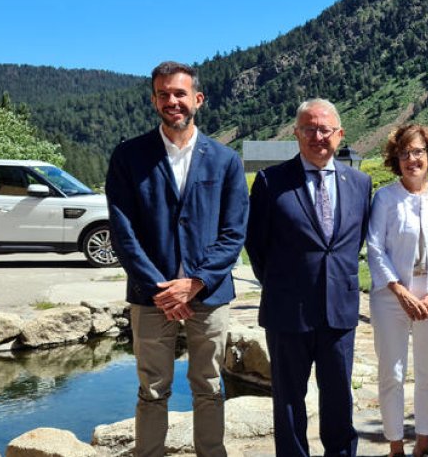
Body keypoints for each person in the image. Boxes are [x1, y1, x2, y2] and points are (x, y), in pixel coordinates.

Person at [105, 61, 249, 457]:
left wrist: (195, 282)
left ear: (197, 100)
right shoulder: (129, 157)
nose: (173, 101)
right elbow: (123, 230)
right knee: (152, 388)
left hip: (210, 294)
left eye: (180, 93)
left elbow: (234, 232)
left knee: (209, 383)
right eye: (164, 94)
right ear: (154, 100)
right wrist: (161, 289)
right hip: (152, 296)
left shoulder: (225, 160)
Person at [245, 99, 372, 457]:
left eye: (325, 129)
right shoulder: (272, 182)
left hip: (339, 311)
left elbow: (353, 241)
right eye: (309, 129)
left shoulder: (361, 183)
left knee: (338, 397)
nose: (317, 137)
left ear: (340, 134)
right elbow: (256, 245)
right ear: (297, 133)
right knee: (288, 401)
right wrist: (284, 284)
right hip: (288, 311)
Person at [367, 123, 428, 457]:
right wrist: (401, 292)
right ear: (396, 158)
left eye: (418, 152)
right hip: (391, 299)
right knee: (391, 373)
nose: (412, 159)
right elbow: (375, 249)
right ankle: (396, 447)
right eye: (404, 153)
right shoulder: (385, 198)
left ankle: (423, 445)